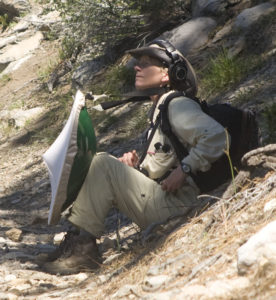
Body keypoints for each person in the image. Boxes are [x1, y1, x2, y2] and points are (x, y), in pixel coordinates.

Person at [42, 40, 227, 275]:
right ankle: (77, 242)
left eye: (146, 63)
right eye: (137, 63)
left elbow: (216, 136)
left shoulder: (177, 105)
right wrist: (136, 170)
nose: (136, 68)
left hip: (184, 206)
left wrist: (185, 169)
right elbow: (166, 163)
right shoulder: (161, 110)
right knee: (105, 165)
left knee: (101, 162)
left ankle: (83, 250)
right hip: (172, 203)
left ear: (167, 75)